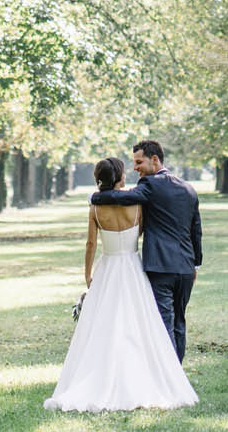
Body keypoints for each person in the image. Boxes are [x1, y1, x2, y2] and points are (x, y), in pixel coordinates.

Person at [45, 156, 198, 412]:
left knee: (103, 324)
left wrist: (87, 275)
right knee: (138, 323)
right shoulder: (137, 206)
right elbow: (141, 232)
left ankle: (100, 373)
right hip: (132, 268)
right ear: (120, 177)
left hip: (107, 268)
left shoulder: (95, 207)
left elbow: (91, 244)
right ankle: (141, 373)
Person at [87, 138, 202, 361]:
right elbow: (196, 230)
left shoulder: (148, 185)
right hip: (186, 268)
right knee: (179, 321)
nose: (135, 168)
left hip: (160, 266)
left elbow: (123, 197)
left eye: (139, 162)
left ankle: (170, 378)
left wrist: (95, 196)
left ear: (155, 159)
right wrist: (196, 263)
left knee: (163, 322)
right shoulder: (188, 188)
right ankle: (177, 372)